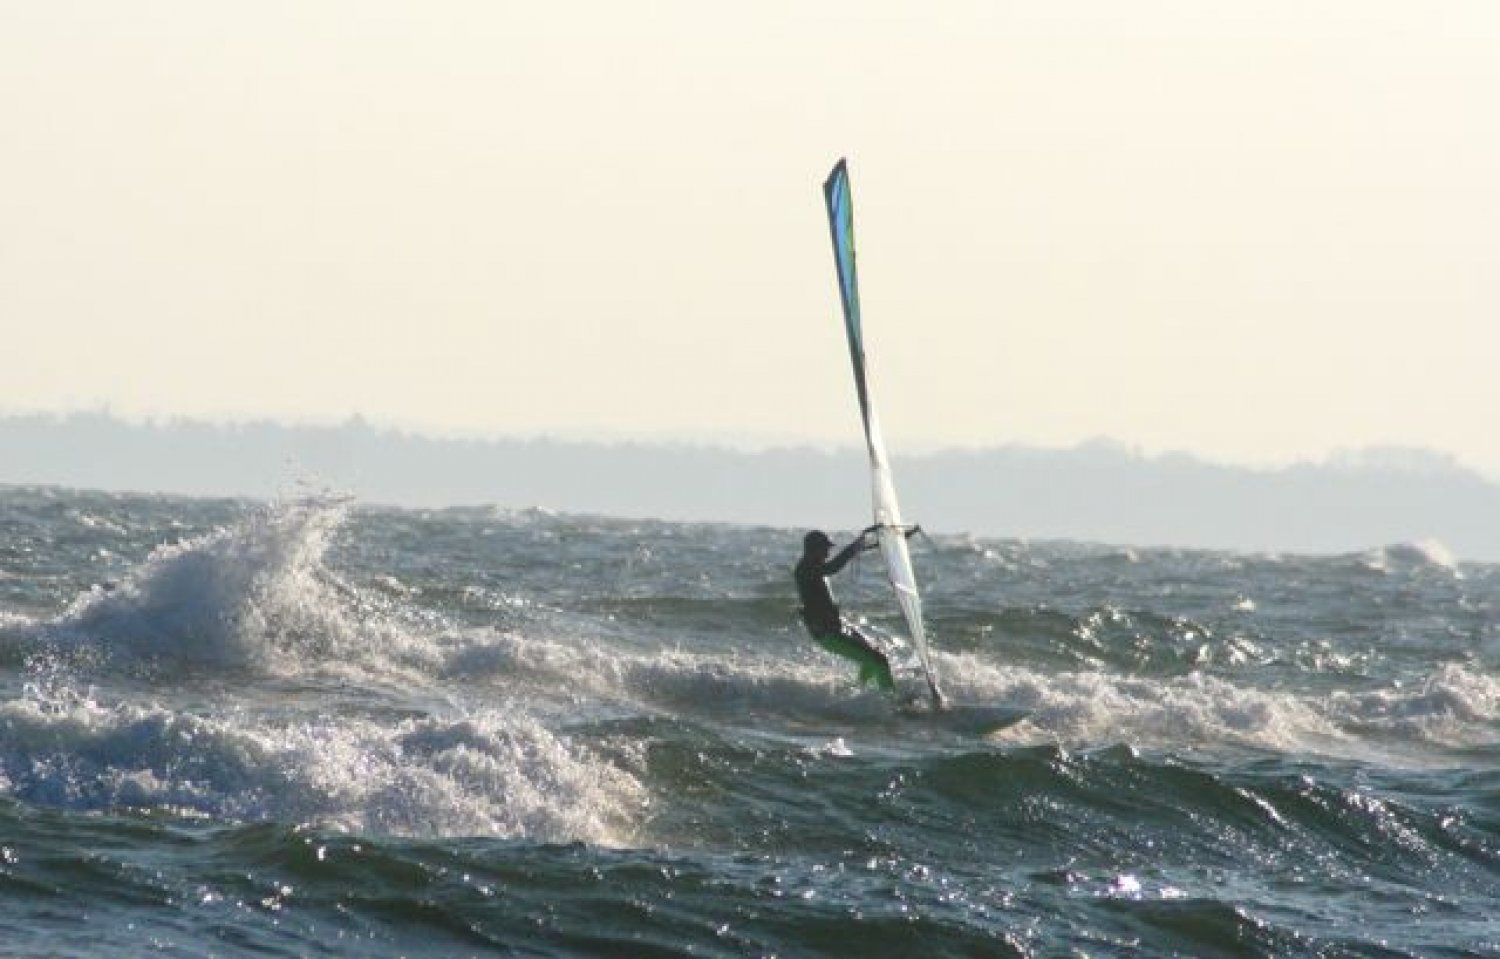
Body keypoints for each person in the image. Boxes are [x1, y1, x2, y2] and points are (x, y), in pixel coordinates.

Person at [794, 527, 908, 693]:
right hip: (827, 634)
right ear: (814, 549)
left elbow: (836, 563)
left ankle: (858, 693)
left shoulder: (813, 566)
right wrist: (855, 547)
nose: (827, 552)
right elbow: (833, 568)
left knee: (874, 655)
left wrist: (889, 541)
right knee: (880, 661)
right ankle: (892, 703)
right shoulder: (805, 569)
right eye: (825, 549)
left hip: (835, 629)